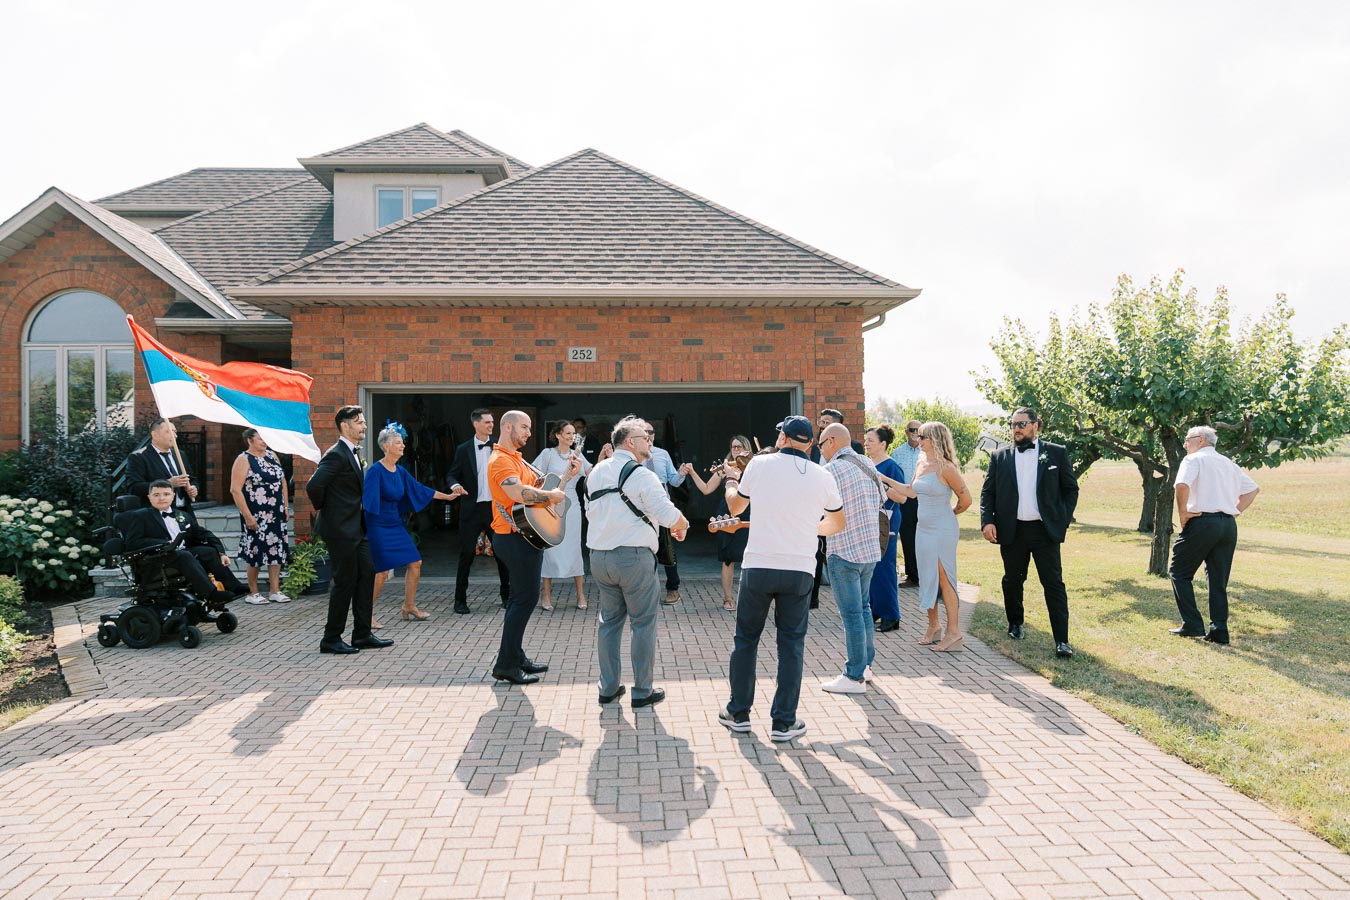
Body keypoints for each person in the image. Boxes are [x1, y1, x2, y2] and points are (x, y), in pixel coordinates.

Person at [718, 415, 844, 743]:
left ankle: (739, 712)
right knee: (791, 644)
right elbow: (837, 522)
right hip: (800, 568)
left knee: (746, 639)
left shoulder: (759, 466)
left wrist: (732, 480)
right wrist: (808, 527)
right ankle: (783, 722)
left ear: (784, 438)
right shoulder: (822, 475)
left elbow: (735, 507)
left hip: (760, 565)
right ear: (809, 443)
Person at [586, 416, 690, 708]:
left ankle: (608, 688)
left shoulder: (596, 473)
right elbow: (667, 513)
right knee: (643, 624)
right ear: (630, 442)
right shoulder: (643, 475)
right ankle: (642, 691)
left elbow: (589, 512)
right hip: (633, 557)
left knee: (608, 623)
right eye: (645, 437)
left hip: (599, 557)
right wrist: (682, 524)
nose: (650, 441)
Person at [979, 407, 1080, 658]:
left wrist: (1061, 519)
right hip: (1012, 530)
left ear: (1036, 426)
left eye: (1022, 424)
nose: (1016, 429)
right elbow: (987, 493)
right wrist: (987, 521)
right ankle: (1015, 623)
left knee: (1053, 584)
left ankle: (1062, 641)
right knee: (1012, 580)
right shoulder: (999, 456)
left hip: (1044, 531)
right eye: (1013, 424)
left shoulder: (1056, 453)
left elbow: (1071, 489)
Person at [487, 410, 577, 685]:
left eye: (528, 427)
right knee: (523, 600)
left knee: (522, 598)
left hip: (525, 536)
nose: (528, 432)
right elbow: (518, 494)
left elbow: (538, 494)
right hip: (513, 537)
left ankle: (515, 656)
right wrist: (551, 495)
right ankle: (506, 664)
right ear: (507, 427)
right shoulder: (501, 460)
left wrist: (566, 479)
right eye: (524, 427)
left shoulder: (517, 459)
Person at [307, 405, 392, 655]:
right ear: (345, 425)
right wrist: (332, 513)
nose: (364, 426)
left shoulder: (352, 452)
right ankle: (331, 639)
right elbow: (314, 487)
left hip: (358, 529)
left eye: (364, 422)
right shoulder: (336, 454)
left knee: (367, 573)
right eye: (359, 422)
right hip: (341, 530)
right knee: (345, 582)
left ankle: (362, 634)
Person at [1168, 425, 1260, 645]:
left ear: (1200, 440)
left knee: (1179, 572)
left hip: (1202, 521)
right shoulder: (1229, 463)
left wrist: (1183, 514)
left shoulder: (1193, 460)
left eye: (1187, 439)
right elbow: (1252, 489)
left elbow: (1181, 486)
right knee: (1218, 581)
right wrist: (1234, 512)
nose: (1184, 444)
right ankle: (1219, 631)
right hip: (1227, 526)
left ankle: (1192, 625)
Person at [365, 423, 463, 626]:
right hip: (378, 525)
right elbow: (368, 503)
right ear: (386, 446)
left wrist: (448, 496)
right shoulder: (375, 471)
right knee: (382, 572)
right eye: (398, 443)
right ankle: (365, 612)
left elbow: (420, 489)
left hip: (395, 524)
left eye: (403, 443)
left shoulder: (400, 471)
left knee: (415, 562)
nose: (403, 446)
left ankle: (409, 606)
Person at [816, 423, 886, 694]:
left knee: (852, 614)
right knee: (865, 609)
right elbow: (881, 498)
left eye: (821, 444)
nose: (820, 450)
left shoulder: (830, 471)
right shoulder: (867, 463)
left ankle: (854, 674)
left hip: (844, 550)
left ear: (831, 441)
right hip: (869, 549)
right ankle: (866, 666)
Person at [120, 480, 247, 604]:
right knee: (185, 555)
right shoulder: (140, 516)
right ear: (149, 497)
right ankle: (211, 593)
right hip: (156, 558)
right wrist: (165, 543)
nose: (161, 498)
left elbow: (203, 533)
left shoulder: (182, 515)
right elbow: (132, 542)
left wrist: (221, 552)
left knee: (207, 552)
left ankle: (234, 587)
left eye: (166, 494)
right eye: (156, 495)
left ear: (173, 496)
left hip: (179, 554)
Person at [911, 422, 973, 651]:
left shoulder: (946, 468)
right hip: (923, 529)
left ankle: (954, 633)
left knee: (944, 578)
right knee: (927, 576)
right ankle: (934, 626)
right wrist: (884, 480)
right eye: (918, 436)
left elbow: (966, 500)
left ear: (935, 438)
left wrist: (950, 513)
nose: (919, 440)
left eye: (922, 436)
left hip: (942, 529)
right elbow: (910, 492)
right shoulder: (921, 463)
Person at [448, 409, 512, 615]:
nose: (491, 425)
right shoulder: (463, 449)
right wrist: (455, 485)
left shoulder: (500, 447)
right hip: (471, 509)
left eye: (492, 422)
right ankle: (460, 601)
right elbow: (451, 474)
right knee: (466, 554)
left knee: (503, 554)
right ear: (476, 424)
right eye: (487, 422)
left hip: (495, 508)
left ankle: (507, 597)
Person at [681, 435, 752, 611]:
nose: (736, 450)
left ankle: (750, 599)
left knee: (750, 558)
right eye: (733, 447)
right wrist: (692, 472)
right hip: (726, 515)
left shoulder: (754, 467)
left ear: (747, 448)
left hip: (749, 514)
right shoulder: (725, 469)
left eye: (739, 447)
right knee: (727, 559)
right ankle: (728, 599)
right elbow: (706, 489)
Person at [533, 420, 592, 611]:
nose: (571, 436)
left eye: (573, 433)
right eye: (567, 433)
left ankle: (580, 594)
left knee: (574, 548)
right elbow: (533, 475)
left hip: (572, 504)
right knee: (550, 547)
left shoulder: (578, 455)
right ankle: (546, 593)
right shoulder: (548, 454)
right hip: (551, 504)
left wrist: (603, 457)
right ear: (557, 435)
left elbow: (592, 474)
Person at [229, 428, 291, 605]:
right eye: (261, 439)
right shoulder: (243, 459)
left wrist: (285, 506)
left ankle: (274, 590)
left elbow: (282, 481)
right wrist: (248, 516)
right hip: (256, 512)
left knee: (276, 549)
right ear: (250, 440)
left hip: (276, 512)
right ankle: (253, 592)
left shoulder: (272, 456)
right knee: (255, 550)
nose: (265, 442)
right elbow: (235, 490)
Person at [864, 425, 905, 632]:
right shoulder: (867, 464)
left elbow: (902, 497)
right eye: (866, 439)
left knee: (886, 567)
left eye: (871, 440)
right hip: (870, 519)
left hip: (886, 520)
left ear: (883, 444)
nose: (866, 443)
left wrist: (883, 485)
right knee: (872, 567)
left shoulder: (891, 467)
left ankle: (891, 615)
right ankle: (875, 609)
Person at [642, 423, 687, 605]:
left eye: (651, 432)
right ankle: (646, 592)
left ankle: (673, 589)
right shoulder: (634, 457)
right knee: (644, 550)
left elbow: (674, 481)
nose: (648, 435)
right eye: (644, 432)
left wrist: (681, 474)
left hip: (661, 506)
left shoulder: (663, 454)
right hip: (641, 508)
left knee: (667, 549)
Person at [126, 418, 200, 523]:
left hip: (184, 512)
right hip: (157, 516)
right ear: (155, 435)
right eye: (169, 432)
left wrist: (193, 488)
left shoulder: (180, 455)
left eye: (175, 432)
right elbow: (134, 487)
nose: (175, 435)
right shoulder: (139, 457)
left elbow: (192, 479)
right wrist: (168, 483)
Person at [890, 419, 923, 585]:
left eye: (918, 430)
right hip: (906, 501)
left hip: (924, 499)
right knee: (908, 538)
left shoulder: (927, 452)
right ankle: (912, 575)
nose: (915, 433)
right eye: (912, 429)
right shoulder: (897, 453)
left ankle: (926, 575)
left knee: (924, 537)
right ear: (906, 431)